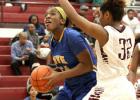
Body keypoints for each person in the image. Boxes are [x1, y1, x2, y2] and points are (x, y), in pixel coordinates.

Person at [59, 0, 137, 100]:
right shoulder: (129, 31)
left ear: (107, 14)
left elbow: (75, 18)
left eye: (100, 15)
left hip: (109, 88)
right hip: (126, 87)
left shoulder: (105, 33)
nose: (99, 18)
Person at [43, 7, 97, 100]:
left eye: (52, 14)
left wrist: (59, 75)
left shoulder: (72, 36)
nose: (47, 16)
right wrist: (51, 72)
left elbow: (88, 66)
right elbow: (67, 64)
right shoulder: (51, 41)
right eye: (46, 15)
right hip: (69, 86)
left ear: (62, 21)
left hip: (88, 85)